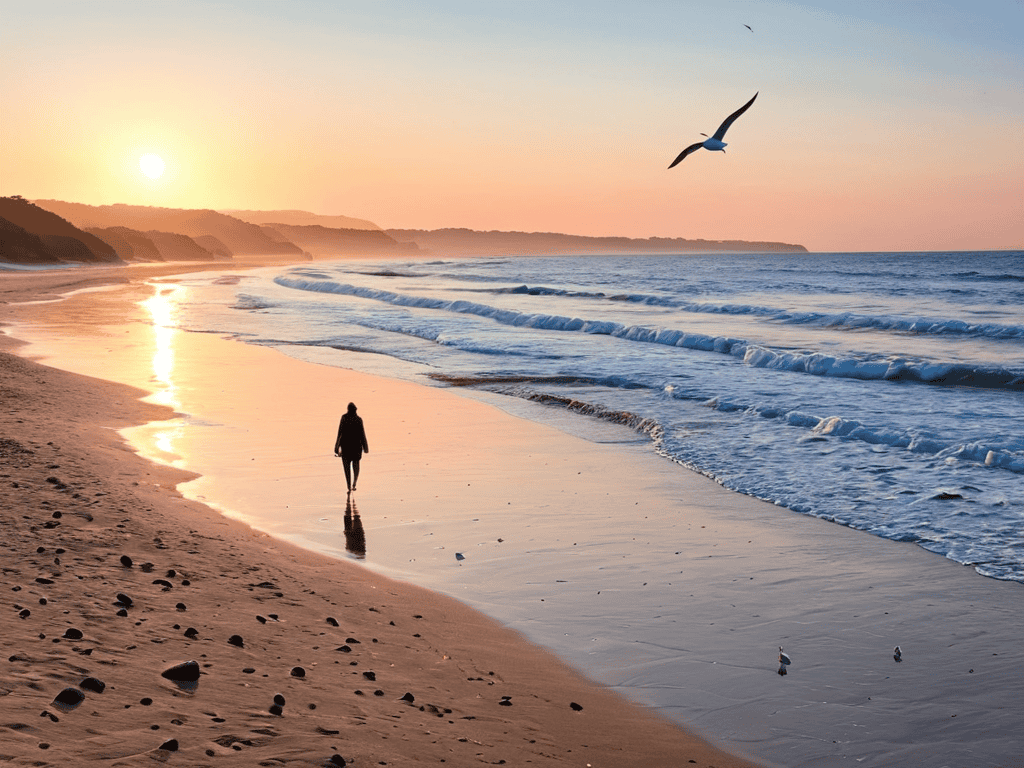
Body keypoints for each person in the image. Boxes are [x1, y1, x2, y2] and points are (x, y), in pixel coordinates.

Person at [334, 402, 369, 492]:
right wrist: (365, 447)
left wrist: (336, 446)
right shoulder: (358, 419)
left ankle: (350, 485)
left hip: (346, 448)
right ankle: (353, 483)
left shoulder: (344, 418)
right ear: (355, 410)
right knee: (356, 467)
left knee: (347, 469)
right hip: (355, 448)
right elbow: (362, 435)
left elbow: (339, 433)